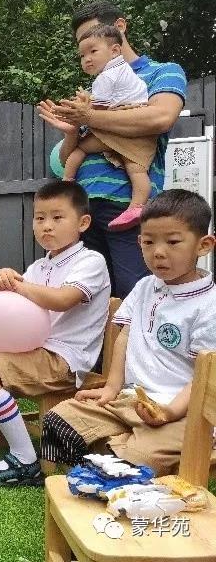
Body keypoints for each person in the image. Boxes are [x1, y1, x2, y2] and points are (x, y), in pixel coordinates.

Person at [0, 181, 111, 488]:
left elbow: (63, 299)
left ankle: (26, 460)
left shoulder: (90, 261)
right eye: (40, 218)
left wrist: (15, 284)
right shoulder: (40, 265)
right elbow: (12, 298)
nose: (47, 226)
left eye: (57, 217)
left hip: (64, 357)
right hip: (28, 345)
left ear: (83, 223)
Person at [41, 189, 216, 476]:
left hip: (185, 412)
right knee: (59, 419)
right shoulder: (145, 286)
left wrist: (169, 412)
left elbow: (204, 376)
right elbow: (125, 336)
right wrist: (111, 388)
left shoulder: (209, 305)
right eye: (148, 242)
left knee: (137, 457)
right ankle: (111, 456)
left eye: (173, 242)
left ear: (204, 245)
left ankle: (119, 457)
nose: (158, 252)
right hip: (131, 400)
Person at [39, 0, 187, 299]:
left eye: (92, 41)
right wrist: (71, 132)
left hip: (126, 206)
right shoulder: (95, 91)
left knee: (132, 294)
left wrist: (89, 117)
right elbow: (67, 158)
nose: (87, 55)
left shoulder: (162, 72)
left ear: (119, 28)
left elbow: (161, 117)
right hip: (81, 210)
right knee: (82, 299)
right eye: (82, 48)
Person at [61, 24, 157, 231]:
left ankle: (67, 183)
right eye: (82, 55)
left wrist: (82, 109)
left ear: (114, 50)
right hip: (137, 132)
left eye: (93, 51)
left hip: (117, 128)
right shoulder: (124, 71)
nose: (86, 59)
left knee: (80, 150)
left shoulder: (106, 76)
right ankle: (138, 206)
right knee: (136, 169)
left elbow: (98, 109)